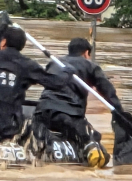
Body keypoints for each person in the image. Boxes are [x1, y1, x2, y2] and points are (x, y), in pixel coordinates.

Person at [0, 13, 72, 141]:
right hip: (9, 126)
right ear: (22, 46)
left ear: (3, 42)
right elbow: (56, 83)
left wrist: (1, 27)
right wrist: (67, 71)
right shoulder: (27, 65)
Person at [33, 37, 121, 167]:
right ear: (86, 53)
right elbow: (109, 92)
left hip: (41, 112)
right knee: (93, 139)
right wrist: (119, 112)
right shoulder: (90, 66)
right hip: (68, 115)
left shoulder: (54, 63)